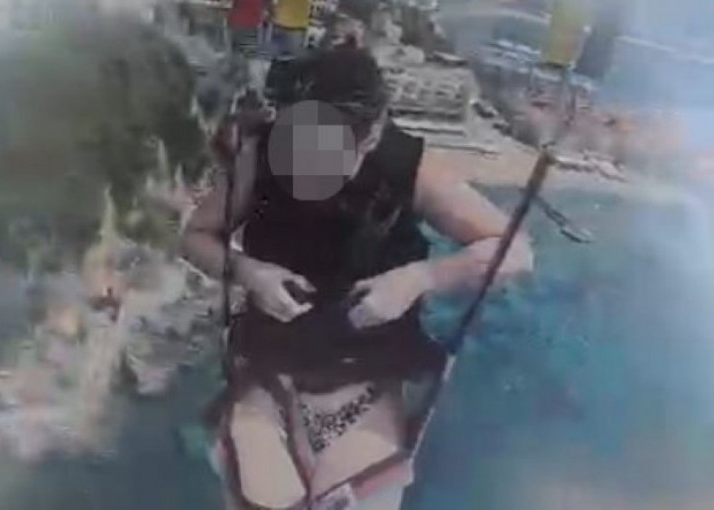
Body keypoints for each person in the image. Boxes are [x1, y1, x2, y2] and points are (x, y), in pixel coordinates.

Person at [181, 45, 533, 510]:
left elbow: (516, 252)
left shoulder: (407, 169)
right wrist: (250, 271)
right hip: (271, 365)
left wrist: (420, 278)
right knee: (266, 498)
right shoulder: (260, 154)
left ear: (371, 138)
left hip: (366, 377)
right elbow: (196, 237)